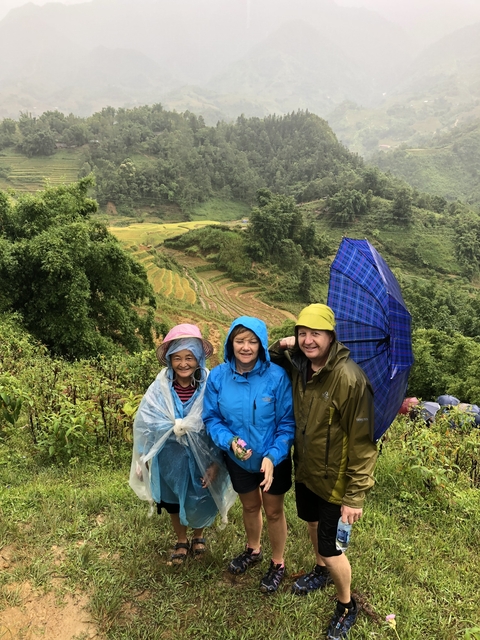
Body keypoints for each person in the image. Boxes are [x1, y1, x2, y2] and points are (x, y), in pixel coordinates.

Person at [269, 304, 377, 639]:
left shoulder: (350, 379)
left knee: (332, 548)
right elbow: (270, 354)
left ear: (331, 336)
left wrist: (354, 496)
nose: (308, 340)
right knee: (312, 524)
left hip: (335, 481)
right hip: (307, 470)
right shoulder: (300, 367)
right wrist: (287, 342)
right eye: (303, 333)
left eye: (316, 333)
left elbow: (363, 443)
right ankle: (319, 570)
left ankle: (346, 604)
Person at [203, 316, 295, 594]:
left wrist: (273, 456)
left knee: (274, 511)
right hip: (238, 458)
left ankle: (277, 563)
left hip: (272, 459)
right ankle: (253, 549)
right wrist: (229, 441)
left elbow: (287, 423)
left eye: (252, 341)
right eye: (240, 340)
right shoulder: (218, 376)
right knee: (250, 506)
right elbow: (211, 418)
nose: (246, 347)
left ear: (262, 344)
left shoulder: (276, 376)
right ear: (231, 343)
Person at [129, 324, 235, 564]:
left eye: (189, 357)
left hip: (203, 457)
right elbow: (147, 422)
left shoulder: (210, 386)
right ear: (169, 360)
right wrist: (144, 457)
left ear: (198, 359)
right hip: (168, 457)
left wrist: (216, 463)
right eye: (177, 358)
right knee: (173, 499)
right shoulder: (160, 388)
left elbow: (219, 423)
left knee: (200, 494)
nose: (183, 363)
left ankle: (199, 535)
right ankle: (181, 539)